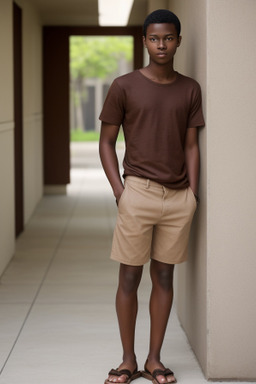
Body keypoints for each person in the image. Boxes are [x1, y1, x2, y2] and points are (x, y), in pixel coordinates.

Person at [99, 9, 205, 384]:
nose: (162, 44)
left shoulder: (190, 88)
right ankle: (127, 360)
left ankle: (154, 360)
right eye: (155, 38)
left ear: (179, 40)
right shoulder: (124, 86)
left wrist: (193, 192)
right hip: (138, 192)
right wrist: (120, 193)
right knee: (129, 277)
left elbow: (191, 145)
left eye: (169, 38)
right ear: (145, 41)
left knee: (164, 277)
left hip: (179, 198)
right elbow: (107, 143)